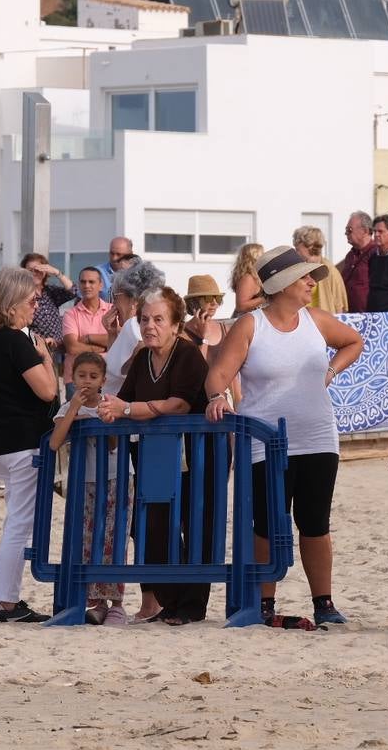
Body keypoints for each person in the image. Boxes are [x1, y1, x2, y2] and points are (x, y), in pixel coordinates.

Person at [205, 246, 364, 627]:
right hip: (265, 441)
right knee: (267, 523)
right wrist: (216, 397)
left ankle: (323, 602)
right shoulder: (250, 325)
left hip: (318, 437)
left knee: (316, 523)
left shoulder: (316, 320)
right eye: (305, 277)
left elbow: (353, 342)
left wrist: (331, 371)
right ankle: (264, 603)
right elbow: (218, 374)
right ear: (282, 283)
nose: (312, 282)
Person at [97, 285, 212, 626]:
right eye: (145, 319)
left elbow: (180, 403)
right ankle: (167, 601)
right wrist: (109, 409)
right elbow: (123, 398)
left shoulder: (188, 354)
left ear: (176, 324)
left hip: (197, 454)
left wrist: (128, 408)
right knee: (153, 526)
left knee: (195, 525)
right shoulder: (142, 358)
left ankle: (191, 607)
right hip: (156, 457)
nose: (150, 326)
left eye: (159, 319)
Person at [0, 266, 58, 622]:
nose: (35, 306)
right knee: (19, 523)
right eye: (31, 300)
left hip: (2, 443)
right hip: (24, 442)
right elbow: (48, 390)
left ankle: (3, 600)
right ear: (11, 304)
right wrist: (47, 359)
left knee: (15, 521)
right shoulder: (15, 341)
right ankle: (5, 601)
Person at [50, 351, 128, 627]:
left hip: (117, 477)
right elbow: (54, 442)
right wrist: (73, 410)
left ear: (103, 380)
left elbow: (115, 446)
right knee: (88, 539)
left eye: (93, 377)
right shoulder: (68, 407)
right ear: (72, 377)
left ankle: (117, 603)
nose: (87, 381)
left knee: (113, 536)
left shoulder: (111, 404)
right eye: (81, 375)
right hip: (85, 481)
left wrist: (106, 424)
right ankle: (97, 602)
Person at [102, 261, 165, 399]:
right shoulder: (133, 327)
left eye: (115, 296)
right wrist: (112, 334)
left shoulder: (133, 325)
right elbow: (117, 367)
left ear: (133, 300)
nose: (113, 304)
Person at [61, 267, 112, 400]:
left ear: (100, 285)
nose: (87, 286)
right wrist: (102, 347)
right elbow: (72, 347)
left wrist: (89, 338)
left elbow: (118, 341)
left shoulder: (112, 311)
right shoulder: (70, 314)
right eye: (83, 282)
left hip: (108, 377)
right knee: (76, 418)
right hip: (76, 378)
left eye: (91, 282)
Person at [21, 254, 76, 378]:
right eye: (31, 270)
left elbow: (74, 291)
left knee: (55, 387)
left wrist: (57, 273)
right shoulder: (22, 294)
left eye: (39, 270)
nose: (35, 273)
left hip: (56, 349)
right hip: (35, 349)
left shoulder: (50, 291)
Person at [294, 225, 349, 313]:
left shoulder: (330, 271)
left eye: (297, 247)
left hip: (322, 322)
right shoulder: (298, 267)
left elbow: (339, 306)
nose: (295, 251)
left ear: (310, 245)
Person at [339, 211, 376, 312]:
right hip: (349, 316)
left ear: (364, 231)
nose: (346, 233)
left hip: (369, 318)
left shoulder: (376, 254)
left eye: (349, 230)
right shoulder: (350, 256)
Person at [183, 275, 227, 358]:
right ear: (194, 302)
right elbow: (197, 368)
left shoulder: (224, 329)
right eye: (209, 298)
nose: (214, 303)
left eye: (218, 298)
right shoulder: (182, 333)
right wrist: (205, 338)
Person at [229, 243, 265, 318]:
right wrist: (266, 298)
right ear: (255, 256)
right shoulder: (248, 278)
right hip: (244, 321)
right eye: (262, 254)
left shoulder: (254, 276)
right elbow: (241, 306)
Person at [95, 237, 135, 303]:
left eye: (119, 254)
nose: (114, 258)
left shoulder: (140, 275)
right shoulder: (96, 273)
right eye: (112, 253)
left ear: (130, 254)